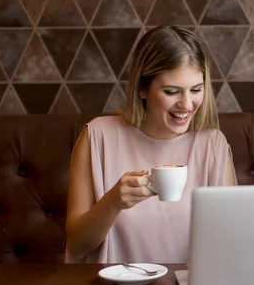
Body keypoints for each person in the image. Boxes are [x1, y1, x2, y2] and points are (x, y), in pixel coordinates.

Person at [66, 26, 236, 263]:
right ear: (142, 89)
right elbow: (76, 245)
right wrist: (112, 203)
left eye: (196, 90)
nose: (187, 104)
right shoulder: (97, 136)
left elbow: (230, 243)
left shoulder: (212, 144)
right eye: (172, 91)